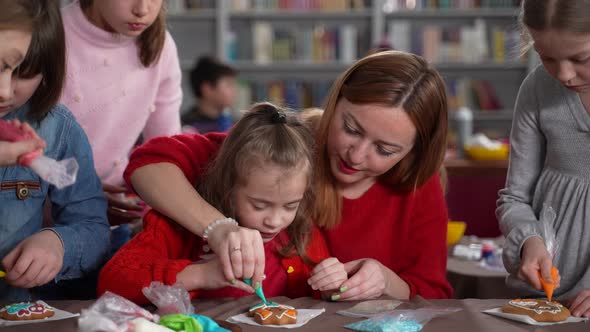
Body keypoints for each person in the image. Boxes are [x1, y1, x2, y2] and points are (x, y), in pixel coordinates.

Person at [125, 50, 452, 301]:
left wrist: (384, 279)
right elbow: (148, 164)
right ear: (335, 100)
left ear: (413, 152)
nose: (356, 154)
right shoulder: (289, 148)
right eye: (351, 128)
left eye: (385, 150)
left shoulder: (418, 187)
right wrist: (218, 227)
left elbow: (434, 294)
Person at [98, 103, 345, 304]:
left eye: (290, 206)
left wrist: (329, 285)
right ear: (229, 185)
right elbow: (111, 283)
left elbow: (313, 290)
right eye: (259, 205)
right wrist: (201, 275)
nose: (275, 220)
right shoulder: (177, 225)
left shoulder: (301, 231)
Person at [0, 0, 109, 301]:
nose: (5, 91)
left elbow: (93, 227)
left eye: (22, 71)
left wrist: (58, 244)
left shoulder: (57, 129)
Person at [497, 0, 590, 318]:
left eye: (583, 58)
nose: (564, 74)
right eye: (546, 57)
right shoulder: (536, 89)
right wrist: (529, 240)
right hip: (545, 299)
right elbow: (515, 197)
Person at [60, 0, 183, 226]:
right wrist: (78, 198)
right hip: (41, 206)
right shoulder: (51, 35)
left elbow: (167, 150)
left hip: (116, 210)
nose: (142, 10)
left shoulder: (162, 47)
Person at [182, 55, 238, 134]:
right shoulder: (186, 128)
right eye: (228, 85)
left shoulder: (235, 125)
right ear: (207, 89)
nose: (234, 91)